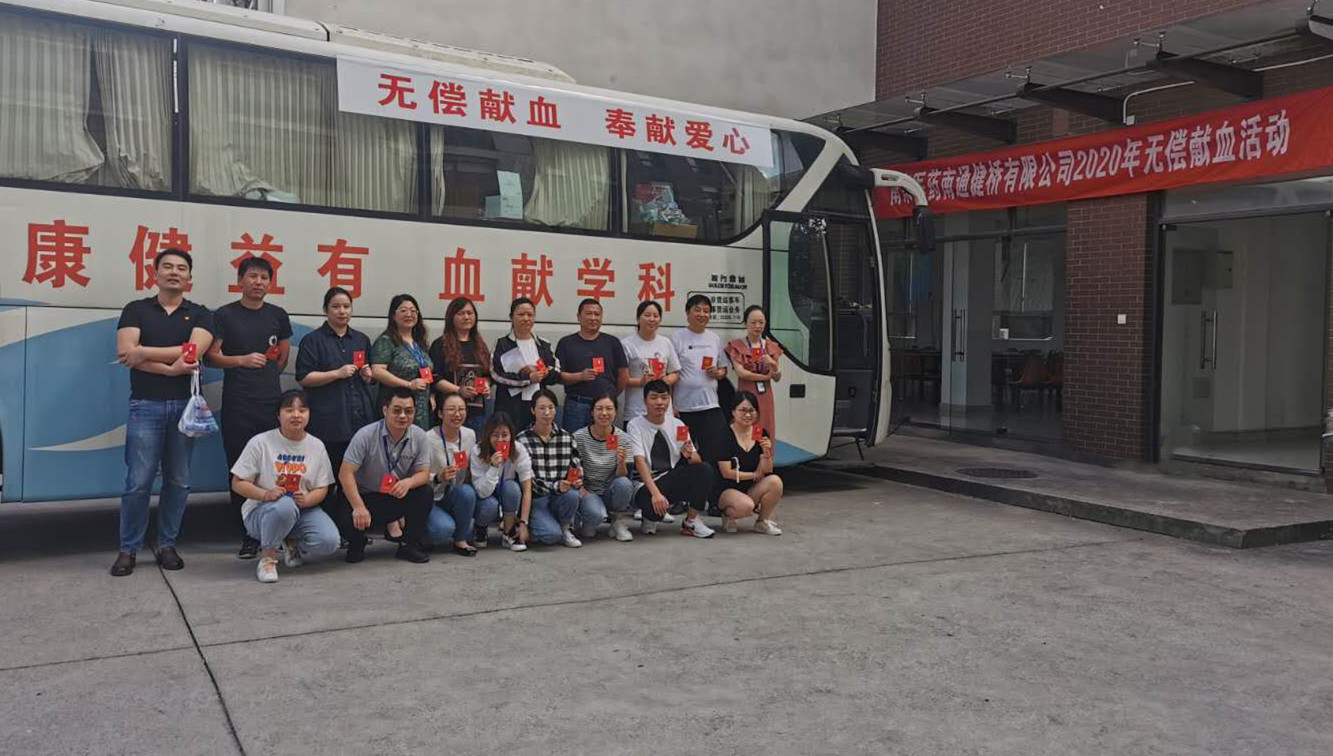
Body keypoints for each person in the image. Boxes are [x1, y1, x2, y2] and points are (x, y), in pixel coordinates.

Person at [110, 248, 214, 577]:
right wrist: (170, 368)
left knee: (178, 481)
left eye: (181, 268)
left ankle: (167, 544)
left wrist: (143, 352)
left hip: (185, 407)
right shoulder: (136, 309)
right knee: (138, 482)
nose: (174, 272)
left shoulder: (200, 314)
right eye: (167, 267)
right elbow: (125, 353)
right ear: (155, 274)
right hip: (145, 405)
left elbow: (192, 352)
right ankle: (128, 549)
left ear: (190, 278)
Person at [206, 256, 293, 560]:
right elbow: (211, 357)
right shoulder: (225, 315)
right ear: (240, 281)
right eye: (252, 276)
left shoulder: (278, 315)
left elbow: (282, 359)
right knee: (241, 469)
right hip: (238, 403)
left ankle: (274, 529)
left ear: (270, 283)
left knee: (274, 467)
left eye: (264, 277)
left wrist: (265, 375)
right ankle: (247, 533)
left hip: (271, 403)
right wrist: (241, 361)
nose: (258, 282)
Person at [230, 390, 341, 582]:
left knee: (329, 542)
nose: (296, 415)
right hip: (262, 512)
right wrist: (266, 495)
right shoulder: (260, 442)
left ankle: (291, 543)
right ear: (278, 415)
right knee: (285, 505)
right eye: (289, 410)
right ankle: (267, 559)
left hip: (302, 510)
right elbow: (237, 483)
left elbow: (322, 487)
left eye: (302, 410)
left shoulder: (316, 446)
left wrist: (307, 500)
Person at [295, 286, 375, 520]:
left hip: (359, 420)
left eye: (346, 306)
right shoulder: (313, 341)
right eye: (336, 306)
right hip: (329, 422)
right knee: (327, 478)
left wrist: (368, 376)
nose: (342, 311)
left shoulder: (361, 339)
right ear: (325, 310)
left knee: (356, 478)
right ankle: (329, 525)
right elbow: (304, 378)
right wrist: (336, 373)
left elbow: (369, 376)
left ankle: (353, 525)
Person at [336, 388, 434, 564]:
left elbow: (424, 474)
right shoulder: (365, 435)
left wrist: (408, 482)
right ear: (385, 410)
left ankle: (408, 545)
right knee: (345, 510)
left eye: (408, 411)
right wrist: (358, 507)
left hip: (394, 494)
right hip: (364, 495)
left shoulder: (419, 436)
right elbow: (345, 473)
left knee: (424, 492)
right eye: (397, 410)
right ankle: (357, 543)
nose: (403, 416)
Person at [625, 380, 717, 538]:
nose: (659, 402)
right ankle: (649, 516)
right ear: (645, 400)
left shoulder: (678, 424)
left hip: (669, 478)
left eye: (664, 397)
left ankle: (691, 521)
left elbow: (696, 460)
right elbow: (639, 461)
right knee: (653, 511)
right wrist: (656, 494)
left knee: (705, 469)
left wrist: (689, 455)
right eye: (654, 397)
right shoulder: (635, 425)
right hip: (645, 484)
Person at [516, 390, 586, 547]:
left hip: (560, 496)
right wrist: (556, 486)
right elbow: (526, 480)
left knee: (572, 495)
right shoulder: (522, 439)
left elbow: (576, 467)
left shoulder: (566, 437)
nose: (546, 413)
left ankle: (566, 527)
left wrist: (576, 480)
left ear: (556, 410)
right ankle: (537, 525)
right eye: (541, 408)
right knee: (551, 536)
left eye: (551, 408)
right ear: (533, 410)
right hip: (536, 499)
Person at [670, 294, 731, 464]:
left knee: (713, 450)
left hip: (710, 406)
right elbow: (671, 373)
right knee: (683, 451)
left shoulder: (714, 338)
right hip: (683, 409)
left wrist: (717, 373)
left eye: (706, 311)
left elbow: (724, 369)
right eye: (697, 310)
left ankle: (711, 480)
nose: (702, 314)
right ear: (687, 313)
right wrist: (671, 405)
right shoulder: (676, 337)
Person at [716, 391, 785, 536]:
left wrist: (766, 453)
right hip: (726, 489)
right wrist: (754, 475)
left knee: (775, 482)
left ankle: (762, 522)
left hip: (750, 488)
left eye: (752, 410)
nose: (748, 415)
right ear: (733, 412)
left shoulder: (760, 432)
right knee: (745, 506)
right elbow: (726, 472)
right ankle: (727, 515)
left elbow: (767, 470)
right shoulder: (724, 434)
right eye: (742, 410)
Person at [556, 299, 628, 432]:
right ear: (579, 317)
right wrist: (580, 376)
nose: (593, 318)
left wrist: (610, 396)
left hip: (604, 407)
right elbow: (558, 376)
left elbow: (623, 374)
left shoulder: (612, 342)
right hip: (576, 406)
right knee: (574, 442)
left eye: (597, 314)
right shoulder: (566, 343)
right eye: (588, 313)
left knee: (603, 442)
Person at [571, 394, 635, 542]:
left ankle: (617, 521)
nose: (604, 413)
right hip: (588, 490)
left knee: (624, 484)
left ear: (615, 412)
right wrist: (581, 489)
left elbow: (624, 475)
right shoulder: (579, 437)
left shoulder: (623, 438)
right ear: (592, 412)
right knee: (595, 517)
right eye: (599, 409)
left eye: (609, 409)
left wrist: (621, 462)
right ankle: (590, 520)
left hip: (610, 489)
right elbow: (571, 468)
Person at [424, 393, 482, 556]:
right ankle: (425, 535)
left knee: (467, 492)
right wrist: (438, 477)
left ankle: (460, 540)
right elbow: (417, 473)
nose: (457, 414)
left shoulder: (470, 435)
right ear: (440, 413)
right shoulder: (428, 439)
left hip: (454, 493)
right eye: (451, 409)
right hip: (432, 497)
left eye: (461, 409)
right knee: (442, 530)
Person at [491, 297, 559, 431]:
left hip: (538, 406)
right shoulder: (502, 344)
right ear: (511, 317)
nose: (526, 318)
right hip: (510, 405)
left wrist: (546, 373)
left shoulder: (543, 344)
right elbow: (496, 375)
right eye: (521, 314)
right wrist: (527, 378)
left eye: (530, 315)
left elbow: (556, 370)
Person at [470, 412, 534, 552]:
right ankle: (480, 528)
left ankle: (508, 532)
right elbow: (481, 492)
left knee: (512, 488)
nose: (500, 440)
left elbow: (527, 489)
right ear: (488, 435)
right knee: (490, 505)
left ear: (511, 435)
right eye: (495, 435)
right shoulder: (477, 451)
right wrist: (494, 467)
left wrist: (524, 523)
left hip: (506, 491)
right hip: (485, 496)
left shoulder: (519, 450)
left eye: (505, 435)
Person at [429, 297, 492, 436]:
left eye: (470, 313)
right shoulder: (440, 345)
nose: (466, 317)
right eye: (461, 313)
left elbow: (487, 375)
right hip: (449, 411)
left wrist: (486, 386)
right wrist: (459, 390)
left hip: (476, 412)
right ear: (451, 317)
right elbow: (435, 378)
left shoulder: (480, 345)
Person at [371, 294, 433, 431]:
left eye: (413, 311)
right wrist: (408, 384)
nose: (409, 314)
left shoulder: (419, 342)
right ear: (393, 315)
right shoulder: (386, 341)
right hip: (397, 407)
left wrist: (431, 394)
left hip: (421, 409)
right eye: (403, 310)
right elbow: (377, 371)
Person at [726, 305, 783, 441]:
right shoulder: (736, 346)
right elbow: (741, 373)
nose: (757, 326)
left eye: (761, 322)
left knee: (765, 427)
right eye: (753, 322)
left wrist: (773, 365)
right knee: (745, 426)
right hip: (746, 393)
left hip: (765, 396)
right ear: (746, 323)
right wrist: (765, 377)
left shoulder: (771, 346)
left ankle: (764, 454)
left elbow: (777, 377)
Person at [620, 300, 682, 425]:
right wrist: (642, 381)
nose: (652, 319)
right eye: (647, 315)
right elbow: (622, 379)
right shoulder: (626, 344)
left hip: (663, 411)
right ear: (638, 319)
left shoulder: (666, 342)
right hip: (636, 410)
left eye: (656, 316)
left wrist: (666, 380)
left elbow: (675, 373)